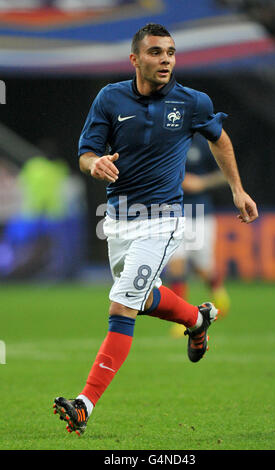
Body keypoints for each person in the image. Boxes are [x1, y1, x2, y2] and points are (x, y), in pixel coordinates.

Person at [53, 23, 258, 436]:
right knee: (143, 298)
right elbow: (85, 153)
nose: (165, 60)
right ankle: (197, 320)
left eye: (170, 52)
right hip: (118, 220)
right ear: (135, 59)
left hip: (164, 221)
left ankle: (85, 404)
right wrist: (93, 164)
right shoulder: (110, 98)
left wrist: (237, 189)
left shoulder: (193, 102)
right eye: (155, 52)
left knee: (122, 308)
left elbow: (220, 139)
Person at [167, 133, 230, 338]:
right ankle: (181, 318)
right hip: (171, 212)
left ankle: (218, 290)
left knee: (203, 268)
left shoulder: (204, 143)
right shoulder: (166, 140)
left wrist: (201, 182)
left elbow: (224, 173)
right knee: (176, 262)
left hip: (200, 213)